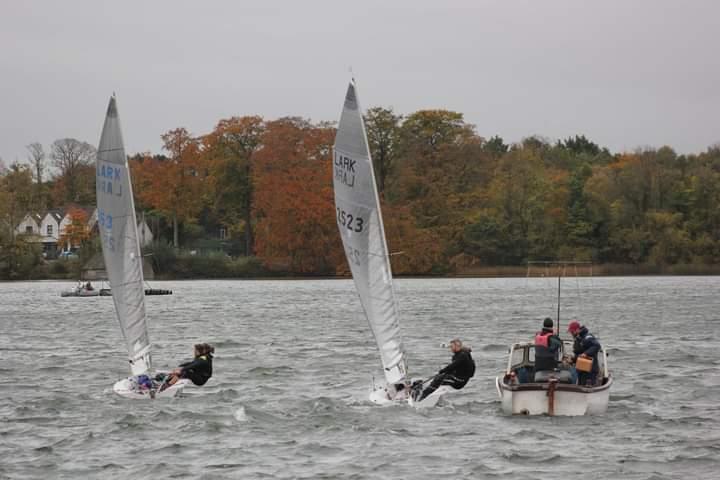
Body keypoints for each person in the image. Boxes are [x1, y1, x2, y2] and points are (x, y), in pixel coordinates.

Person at [567, 320, 601, 386]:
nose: (571, 333)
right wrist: (572, 360)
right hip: (581, 370)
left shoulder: (587, 337)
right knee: (580, 385)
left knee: (588, 386)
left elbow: (597, 345)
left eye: (572, 331)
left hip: (590, 370)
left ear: (577, 330)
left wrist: (586, 353)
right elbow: (579, 354)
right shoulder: (578, 339)